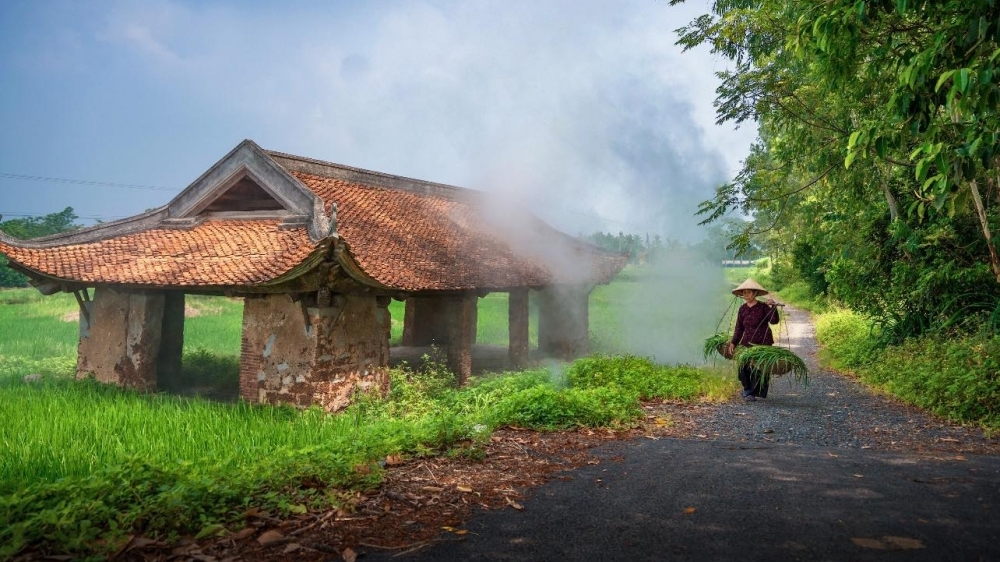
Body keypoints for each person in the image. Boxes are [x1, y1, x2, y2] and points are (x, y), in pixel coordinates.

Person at [727, 278, 780, 401]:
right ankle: (747, 389)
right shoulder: (742, 309)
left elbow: (774, 321)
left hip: (763, 341)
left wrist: (773, 307)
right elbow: (739, 327)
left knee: (760, 368)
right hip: (747, 342)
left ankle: (755, 393)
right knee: (743, 366)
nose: (746, 295)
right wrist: (733, 342)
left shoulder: (763, 307)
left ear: (755, 293)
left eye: (749, 292)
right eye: (744, 293)